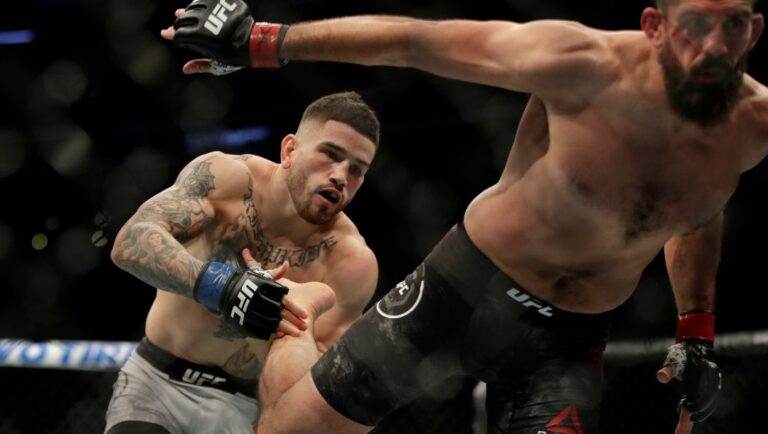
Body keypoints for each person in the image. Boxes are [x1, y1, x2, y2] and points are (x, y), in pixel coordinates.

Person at [161, 0, 766, 433]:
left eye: (734, 25)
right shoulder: (581, 65)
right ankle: (295, 319)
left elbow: (696, 212)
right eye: (695, 26)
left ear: (755, 31)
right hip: (462, 289)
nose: (715, 47)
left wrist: (696, 333)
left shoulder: (752, 126)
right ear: (655, 27)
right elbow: (417, 41)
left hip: (566, 340)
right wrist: (266, 41)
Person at [104, 91, 381, 434]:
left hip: (248, 408)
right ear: (290, 150)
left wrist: (275, 315)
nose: (340, 176)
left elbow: (314, 388)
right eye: (330, 154)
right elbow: (131, 241)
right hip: (157, 383)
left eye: (356, 169)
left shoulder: (352, 263)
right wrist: (226, 287)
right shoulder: (227, 179)